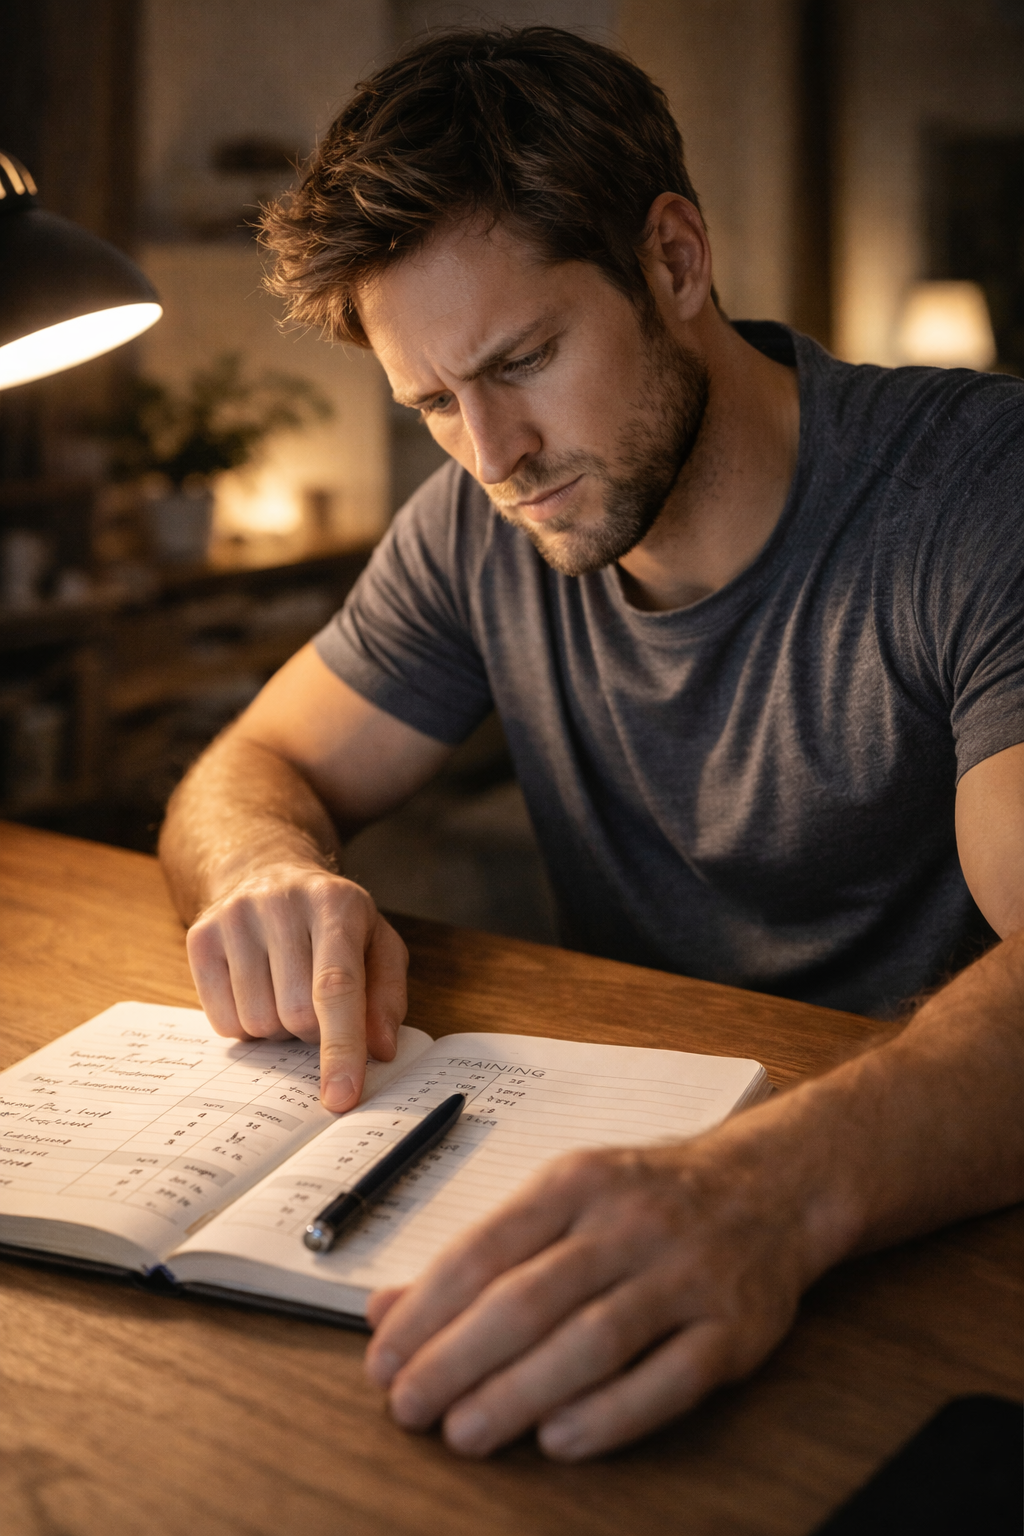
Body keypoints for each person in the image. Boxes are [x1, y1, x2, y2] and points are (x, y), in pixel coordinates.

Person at [159, 27, 1024, 1461]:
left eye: (525, 360)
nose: (492, 454)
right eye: (434, 404)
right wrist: (261, 870)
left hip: (936, 1226)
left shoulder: (981, 490)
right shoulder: (474, 529)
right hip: (630, 1204)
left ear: (674, 260)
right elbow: (253, 769)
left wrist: (764, 1193)